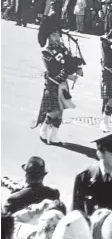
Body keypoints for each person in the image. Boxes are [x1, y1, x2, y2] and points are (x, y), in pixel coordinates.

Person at [34, 12, 84, 144]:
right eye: (54, 35)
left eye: (58, 35)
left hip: (62, 84)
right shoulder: (47, 52)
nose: (57, 37)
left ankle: (54, 136)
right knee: (55, 111)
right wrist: (69, 73)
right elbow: (54, 71)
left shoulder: (62, 48)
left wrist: (77, 66)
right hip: (53, 83)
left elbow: (68, 61)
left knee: (61, 112)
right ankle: (44, 129)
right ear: (48, 36)